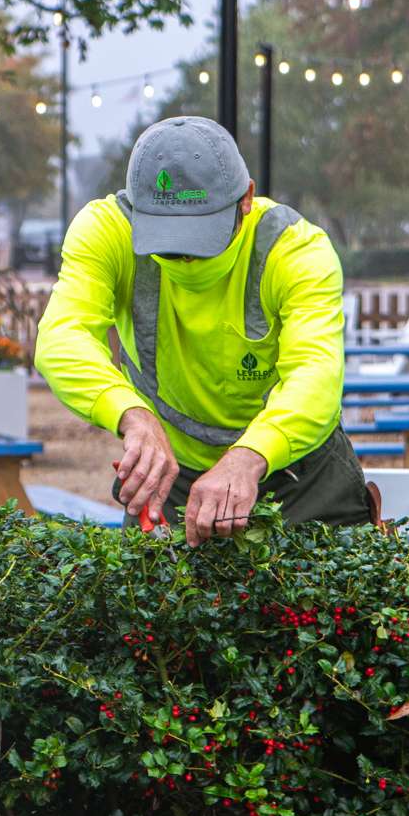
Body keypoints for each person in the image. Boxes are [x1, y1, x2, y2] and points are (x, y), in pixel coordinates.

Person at [35, 116, 373, 546]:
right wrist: (133, 417)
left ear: (246, 198)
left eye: (202, 239)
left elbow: (316, 376)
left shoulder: (296, 249)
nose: (185, 259)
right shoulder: (105, 230)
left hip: (302, 479)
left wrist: (249, 457)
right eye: (167, 241)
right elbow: (62, 338)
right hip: (175, 480)